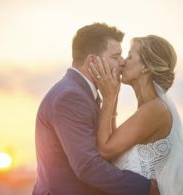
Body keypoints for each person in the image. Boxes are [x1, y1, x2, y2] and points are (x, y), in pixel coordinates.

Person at [32, 23, 159, 195]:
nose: (122, 62)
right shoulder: (70, 98)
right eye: (116, 57)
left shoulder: (80, 92)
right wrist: (146, 188)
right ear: (92, 61)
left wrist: (111, 98)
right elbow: (88, 166)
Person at [89, 35, 183, 195]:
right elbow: (112, 146)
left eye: (130, 56)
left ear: (145, 67)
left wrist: (109, 97)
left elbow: (105, 150)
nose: (124, 62)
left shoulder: (155, 109)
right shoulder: (148, 109)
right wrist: (114, 96)